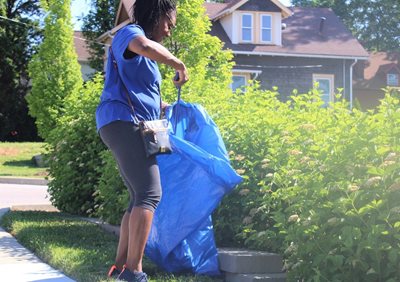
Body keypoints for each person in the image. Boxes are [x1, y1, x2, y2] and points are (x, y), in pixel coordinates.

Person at [95, 0, 189, 281]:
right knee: (150, 194)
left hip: (125, 122)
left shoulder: (144, 52)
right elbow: (144, 46)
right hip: (125, 123)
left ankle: (121, 267)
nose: (169, 32)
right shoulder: (130, 33)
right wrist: (177, 62)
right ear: (156, 15)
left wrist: (164, 106)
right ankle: (133, 273)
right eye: (168, 24)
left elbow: (141, 92)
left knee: (138, 196)